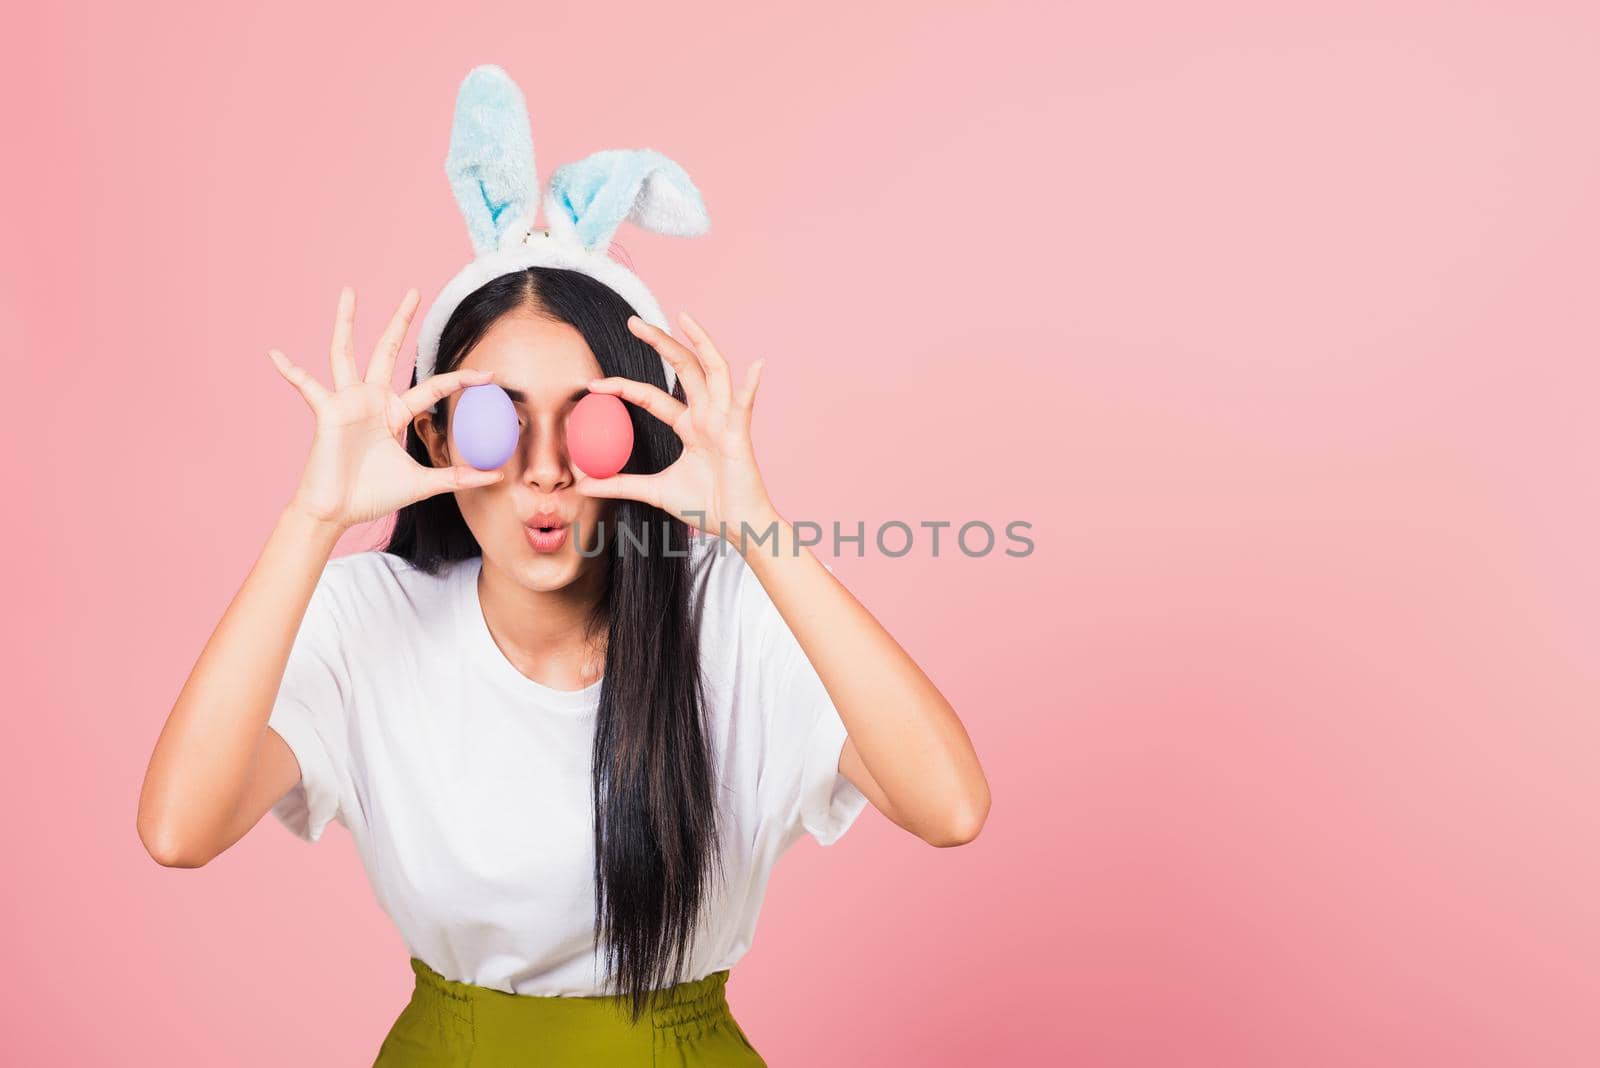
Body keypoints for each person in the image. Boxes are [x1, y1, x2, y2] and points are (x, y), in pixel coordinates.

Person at [136, 270, 991, 1064]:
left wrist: (757, 527)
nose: (543, 470)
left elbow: (948, 807)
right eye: (494, 421)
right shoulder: (368, 617)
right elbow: (179, 831)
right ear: (432, 436)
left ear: (640, 435)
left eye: (587, 421)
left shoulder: (738, 612)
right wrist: (312, 517)